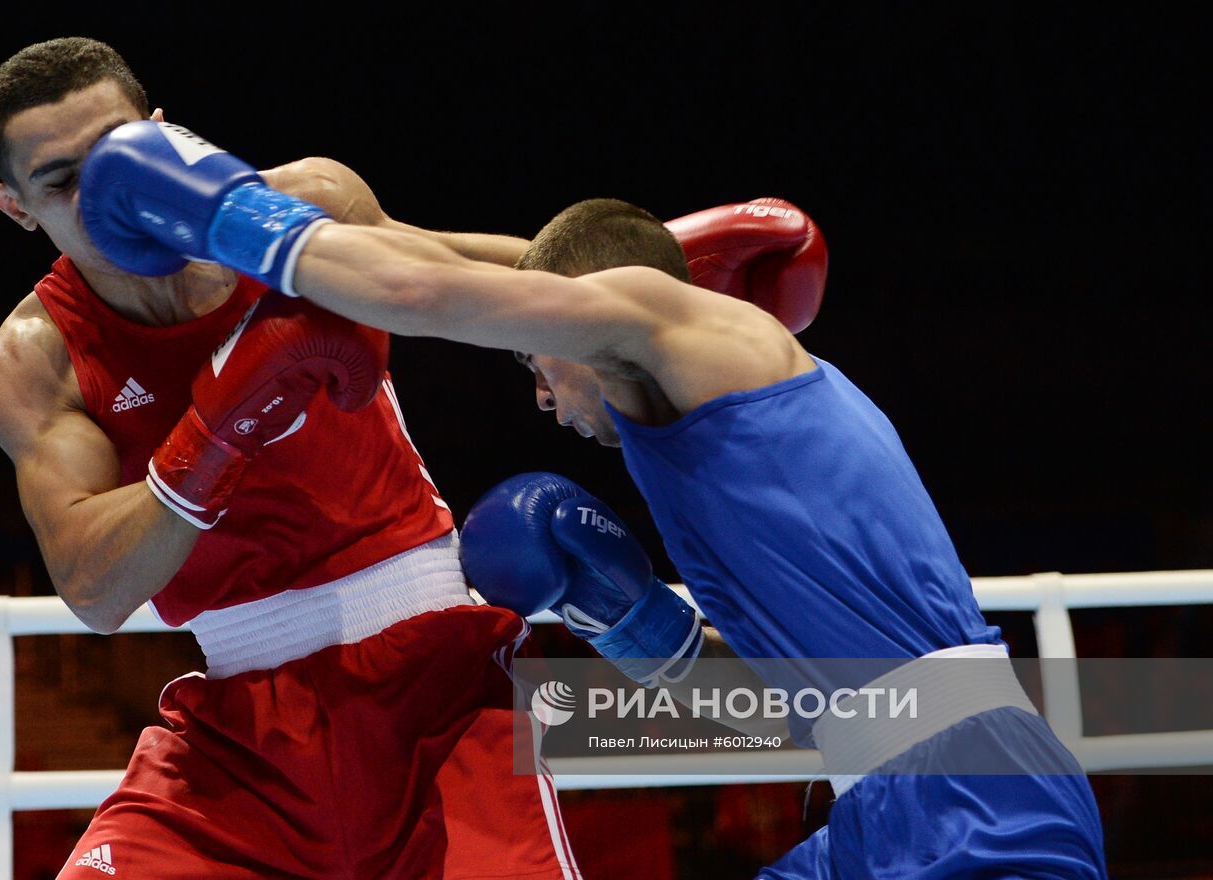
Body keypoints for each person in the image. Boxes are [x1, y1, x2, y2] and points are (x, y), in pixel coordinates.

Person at [73, 118, 1109, 878]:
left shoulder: (686, 326)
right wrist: (629, 616)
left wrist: (218, 208)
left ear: (587, 318)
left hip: (976, 793)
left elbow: (425, 295)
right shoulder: (681, 406)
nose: (538, 392)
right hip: (881, 798)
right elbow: (783, 713)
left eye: (539, 360)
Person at [0, 37, 584, 880]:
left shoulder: (299, 210)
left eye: (120, 157)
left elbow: (460, 275)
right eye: (63, 182)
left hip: (435, 684)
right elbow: (95, 587)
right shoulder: (35, 361)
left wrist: (669, 284)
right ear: (15, 207)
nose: (108, 199)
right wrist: (219, 427)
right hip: (236, 745)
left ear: (163, 133)